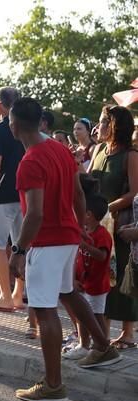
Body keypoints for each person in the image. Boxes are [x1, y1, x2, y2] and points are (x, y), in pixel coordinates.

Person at [9, 97, 121, 401]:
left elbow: (34, 214)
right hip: (68, 235)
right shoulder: (60, 149)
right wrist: (80, 228)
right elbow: (78, 195)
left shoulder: (30, 162)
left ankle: (54, 384)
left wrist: (18, 249)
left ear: (14, 125)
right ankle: (103, 345)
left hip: (46, 241)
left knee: (45, 310)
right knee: (69, 292)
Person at [89, 105, 138, 349]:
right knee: (100, 275)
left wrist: (109, 209)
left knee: (120, 275)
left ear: (116, 126)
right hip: (97, 223)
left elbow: (134, 192)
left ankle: (128, 333)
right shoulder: (98, 150)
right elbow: (87, 182)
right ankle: (101, 330)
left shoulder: (131, 155)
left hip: (120, 223)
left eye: (104, 122)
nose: (99, 127)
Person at [0, 87, 26, 313]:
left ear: (0, 105)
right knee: (22, 245)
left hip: (3, 195)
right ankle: (18, 293)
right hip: (26, 194)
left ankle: (4, 295)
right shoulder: (27, 127)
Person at [64, 194, 112, 359]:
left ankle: (102, 344)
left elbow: (102, 256)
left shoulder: (102, 234)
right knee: (81, 314)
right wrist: (74, 279)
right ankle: (83, 345)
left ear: (89, 214)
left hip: (97, 285)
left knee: (97, 315)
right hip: (83, 283)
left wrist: (84, 244)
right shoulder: (83, 231)